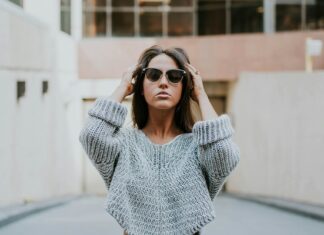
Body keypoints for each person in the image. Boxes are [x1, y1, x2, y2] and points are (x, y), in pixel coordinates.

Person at [79, 45, 240, 235]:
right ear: (140, 86)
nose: (163, 82)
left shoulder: (198, 147)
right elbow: (92, 136)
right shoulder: (124, 144)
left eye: (174, 76)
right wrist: (123, 87)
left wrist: (200, 94)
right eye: (153, 75)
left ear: (184, 87)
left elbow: (225, 155)